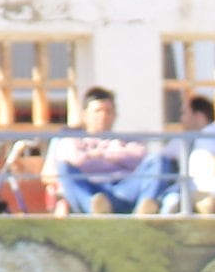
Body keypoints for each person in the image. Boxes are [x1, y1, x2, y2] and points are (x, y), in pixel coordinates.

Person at [45, 85, 168, 216]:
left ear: (115, 115)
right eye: (98, 111)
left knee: (159, 161)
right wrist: (118, 156)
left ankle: (145, 209)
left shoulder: (126, 141)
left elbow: (140, 158)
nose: (103, 116)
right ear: (85, 115)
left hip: (125, 188)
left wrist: (98, 155)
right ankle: (96, 209)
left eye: (108, 111)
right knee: (64, 168)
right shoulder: (72, 140)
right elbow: (78, 161)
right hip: (91, 190)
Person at [160, 95, 215, 214]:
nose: (181, 119)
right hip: (183, 191)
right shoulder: (181, 141)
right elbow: (162, 157)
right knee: (171, 202)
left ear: (198, 116)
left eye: (184, 113)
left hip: (212, 190)